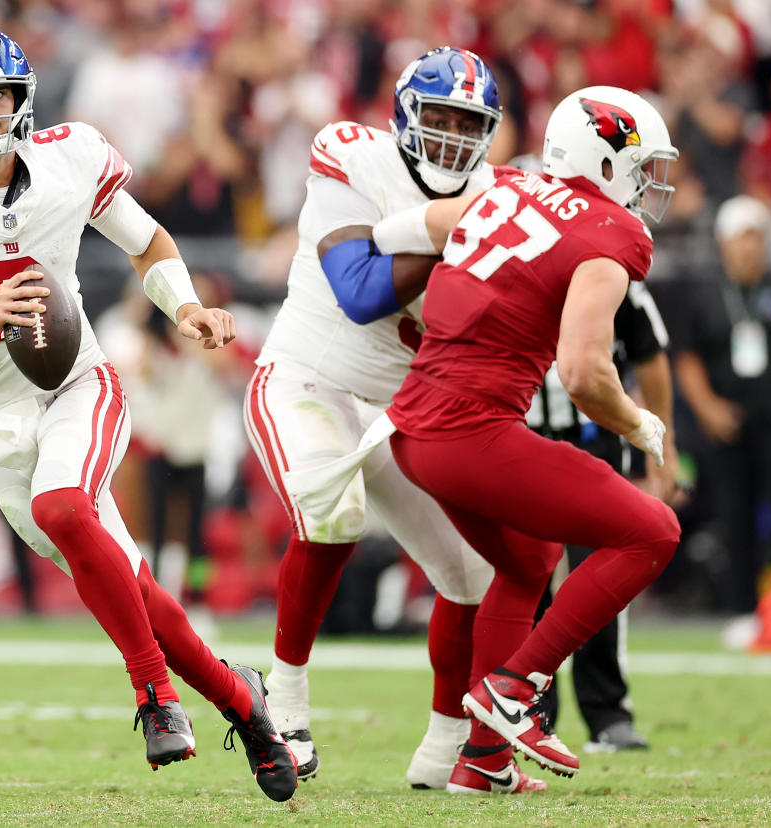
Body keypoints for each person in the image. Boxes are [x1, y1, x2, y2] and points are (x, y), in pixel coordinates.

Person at [0, 24, 296, 802]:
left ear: (21, 97)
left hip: (78, 383)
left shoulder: (68, 158)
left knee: (65, 505)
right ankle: (244, 701)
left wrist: (188, 305)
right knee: (133, 587)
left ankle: (155, 695)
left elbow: (148, 240)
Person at [368, 85, 682, 777]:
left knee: (531, 559)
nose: (650, 182)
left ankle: (480, 762)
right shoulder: (612, 232)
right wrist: (638, 422)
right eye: (642, 164)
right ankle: (517, 686)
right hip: (471, 433)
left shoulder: (506, 186)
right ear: (606, 160)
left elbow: (399, 230)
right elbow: (582, 371)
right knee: (654, 530)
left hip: (411, 432)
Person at [243, 47, 530, 793]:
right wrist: (453, 225)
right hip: (309, 377)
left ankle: (445, 750)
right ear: (405, 116)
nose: (449, 135)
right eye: (436, 117)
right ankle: (286, 698)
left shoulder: (502, 191)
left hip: (406, 410)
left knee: (472, 574)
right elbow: (362, 292)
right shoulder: (351, 154)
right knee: (333, 512)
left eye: (467, 123)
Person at [528, 280, 677, 753]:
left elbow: (650, 354)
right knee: (523, 570)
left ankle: (607, 709)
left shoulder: (612, 275)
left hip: (593, 438)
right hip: (519, 434)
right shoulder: (509, 261)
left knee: (601, 573)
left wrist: (664, 448)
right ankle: (525, 710)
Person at [674, 195, 771, 623]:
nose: (750, 247)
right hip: (726, 422)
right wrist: (707, 408)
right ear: (724, 243)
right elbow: (686, 357)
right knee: (734, 515)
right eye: (743, 238)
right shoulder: (704, 294)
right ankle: (741, 608)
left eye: (757, 237)